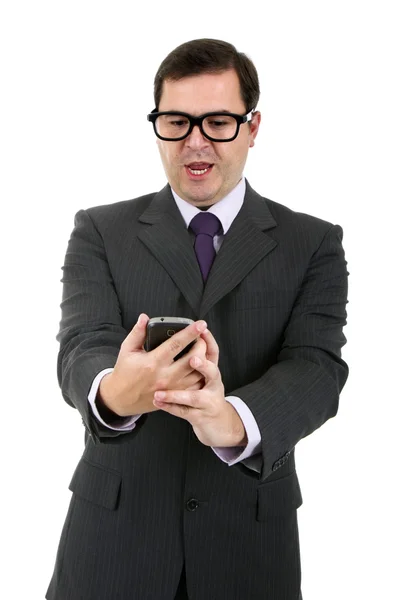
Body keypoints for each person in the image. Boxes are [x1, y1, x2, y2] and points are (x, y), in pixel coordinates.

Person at [46, 38, 349, 600]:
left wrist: (235, 420)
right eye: (176, 121)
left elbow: (317, 367)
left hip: (248, 549)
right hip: (113, 544)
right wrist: (113, 391)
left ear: (253, 127)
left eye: (218, 122)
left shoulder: (313, 243)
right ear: (156, 124)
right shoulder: (99, 230)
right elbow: (81, 343)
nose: (195, 142)